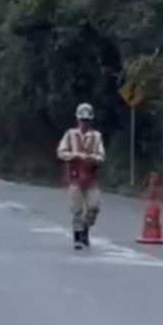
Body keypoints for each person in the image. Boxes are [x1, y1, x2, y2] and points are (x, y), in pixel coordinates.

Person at [57, 103, 106, 250]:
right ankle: (77, 238)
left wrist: (93, 158)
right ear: (77, 120)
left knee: (94, 207)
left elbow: (102, 155)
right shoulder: (70, 134)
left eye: (87, 120)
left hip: (91, 177)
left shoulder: (96, 136)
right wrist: (75, 155)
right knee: (76, 209)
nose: (84, 123)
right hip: (75, 176)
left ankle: (85, 229)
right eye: (82, 120)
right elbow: (61, 152)